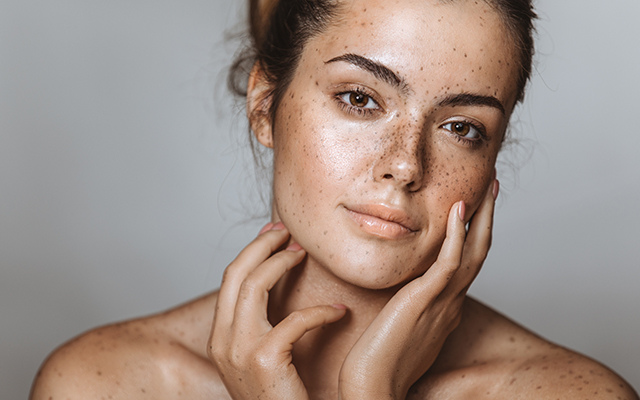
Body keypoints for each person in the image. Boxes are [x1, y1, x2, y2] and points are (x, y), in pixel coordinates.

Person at [30, 0, 638, 399]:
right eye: (360, 99)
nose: (404, 165)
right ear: (265, 105)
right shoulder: (102, 383)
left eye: (462, 128)